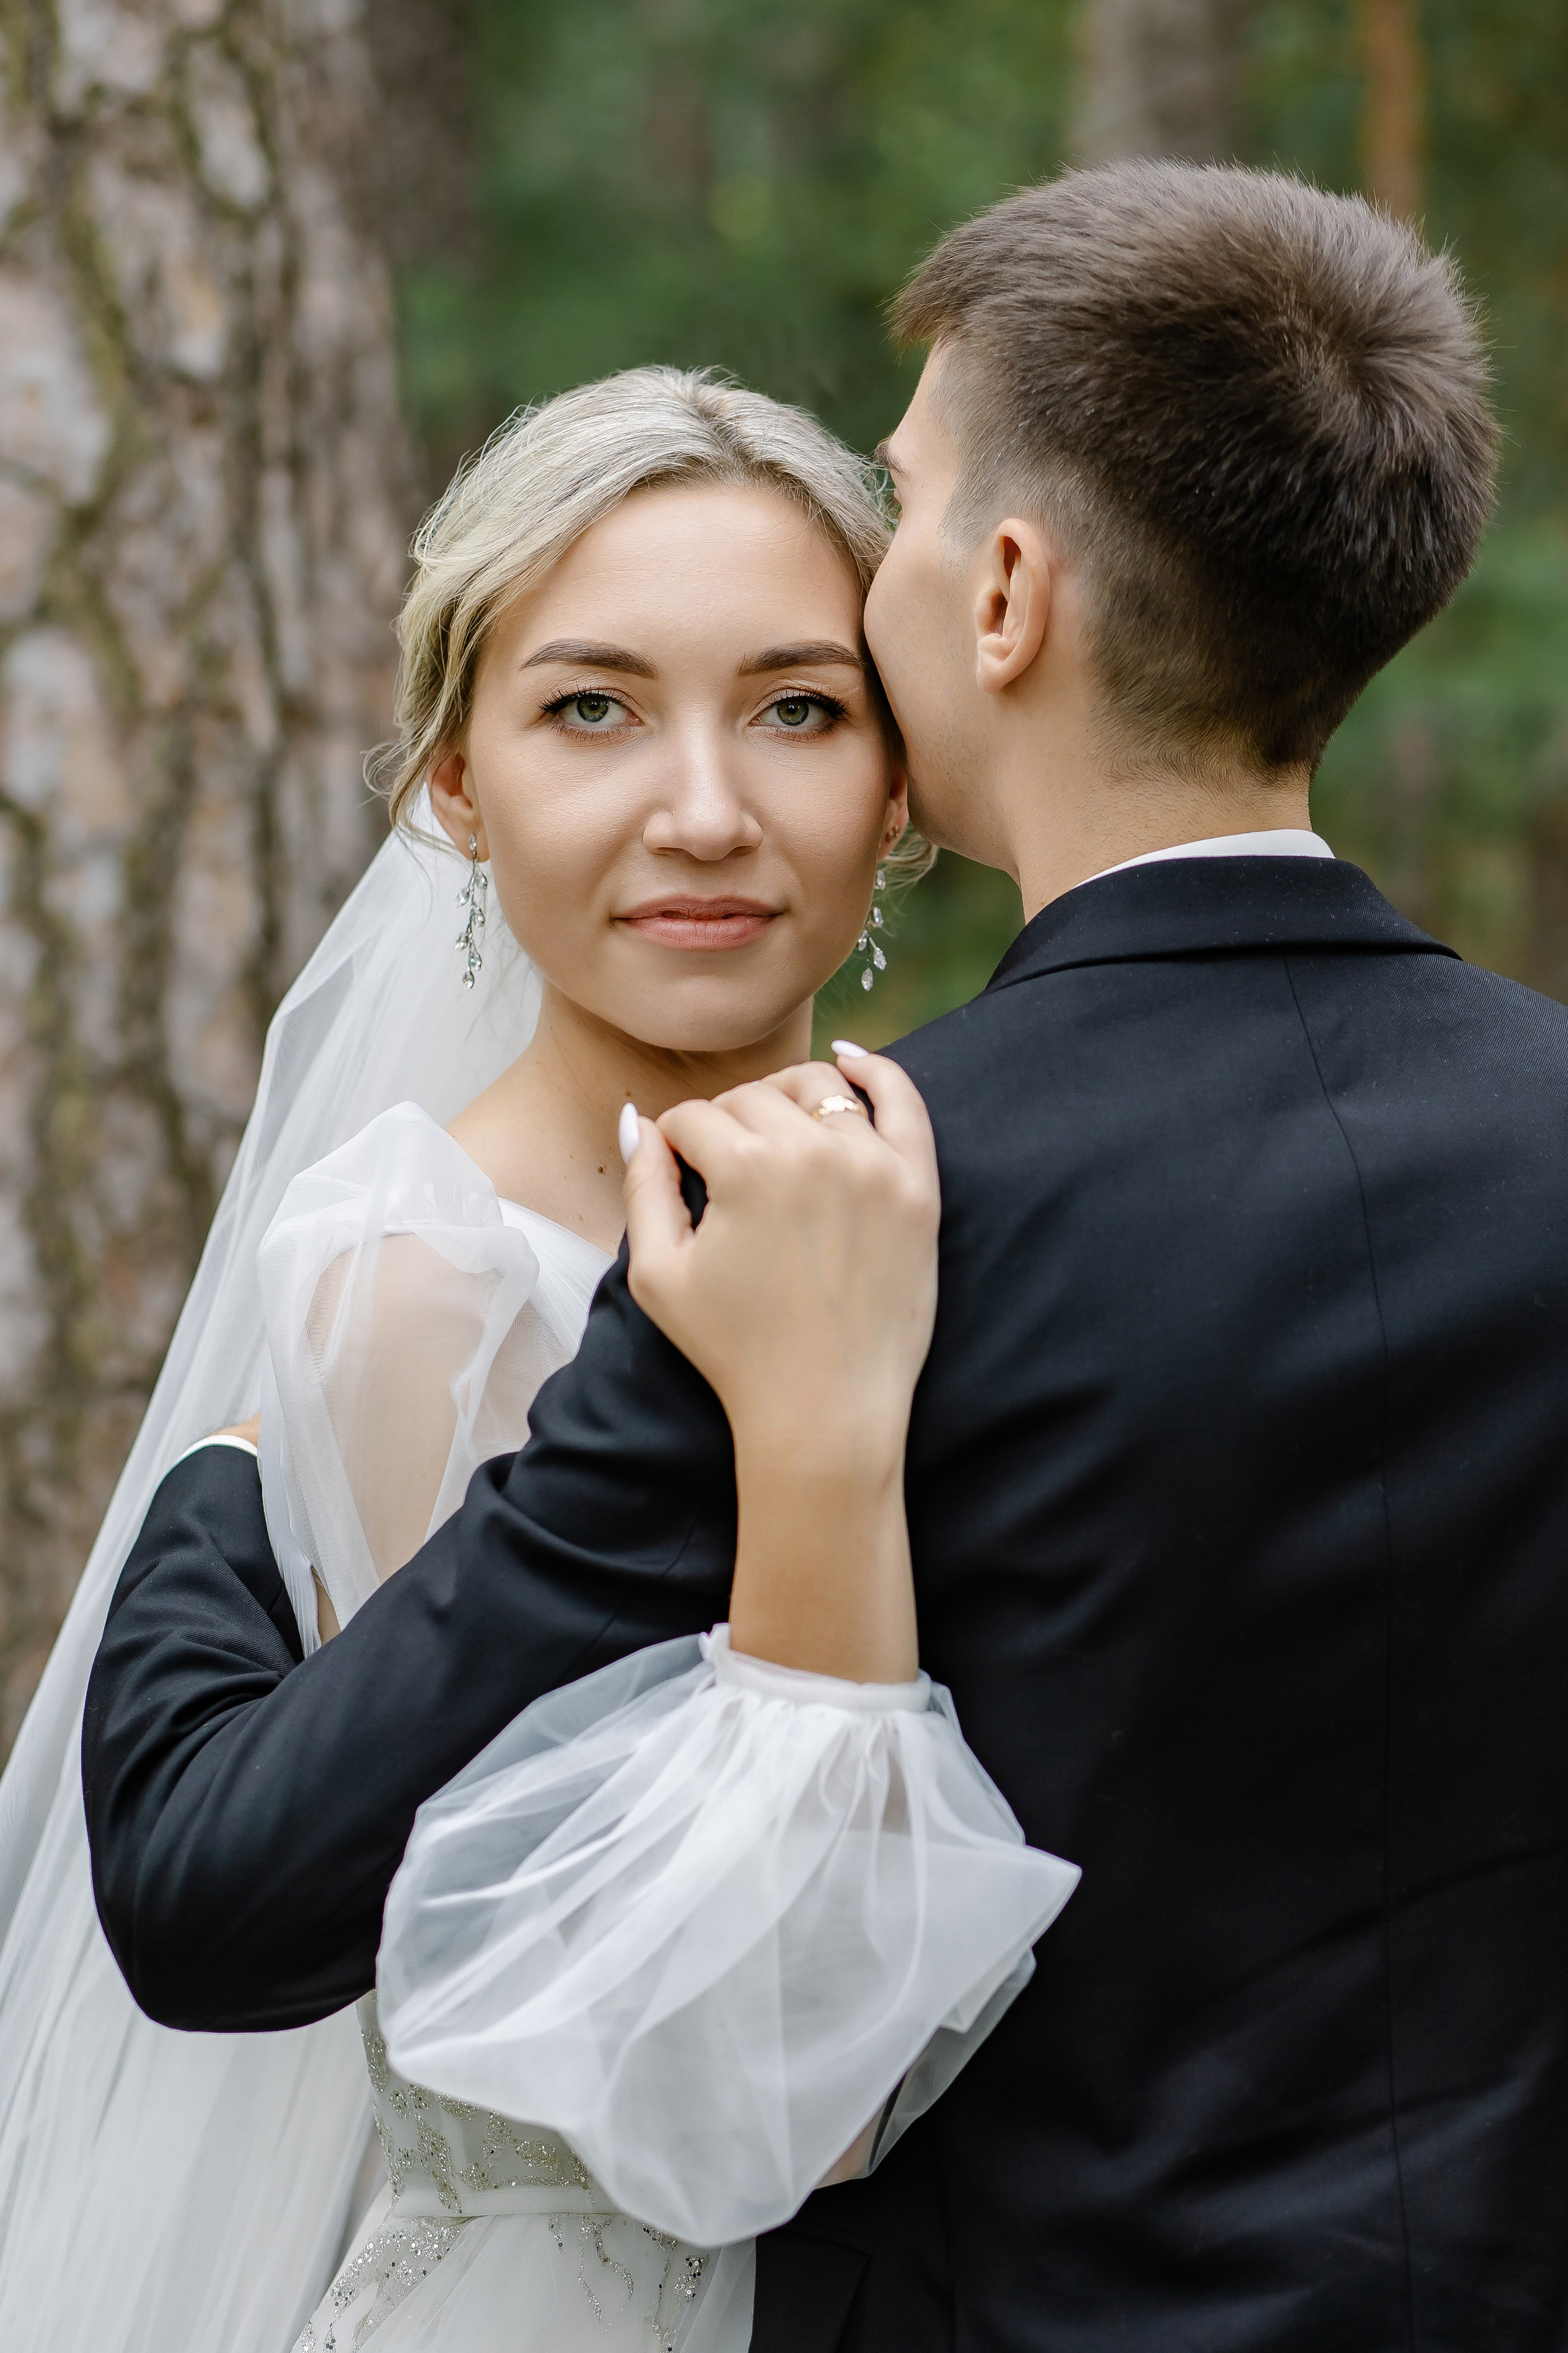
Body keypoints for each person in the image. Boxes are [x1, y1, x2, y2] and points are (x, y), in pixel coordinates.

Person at [81, 159, 1568, 2352]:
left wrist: (216, 1474)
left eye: (904, 507)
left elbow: (227, 1900)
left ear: (1002, 602)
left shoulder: (814, 1211)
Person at [0, 368, 1072, 2353]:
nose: (704, 810)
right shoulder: (423, 1277)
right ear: (454, 781)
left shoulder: (965, 1187)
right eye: (593, 706)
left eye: (798, 707)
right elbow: (767, 2076)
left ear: (902, 774)